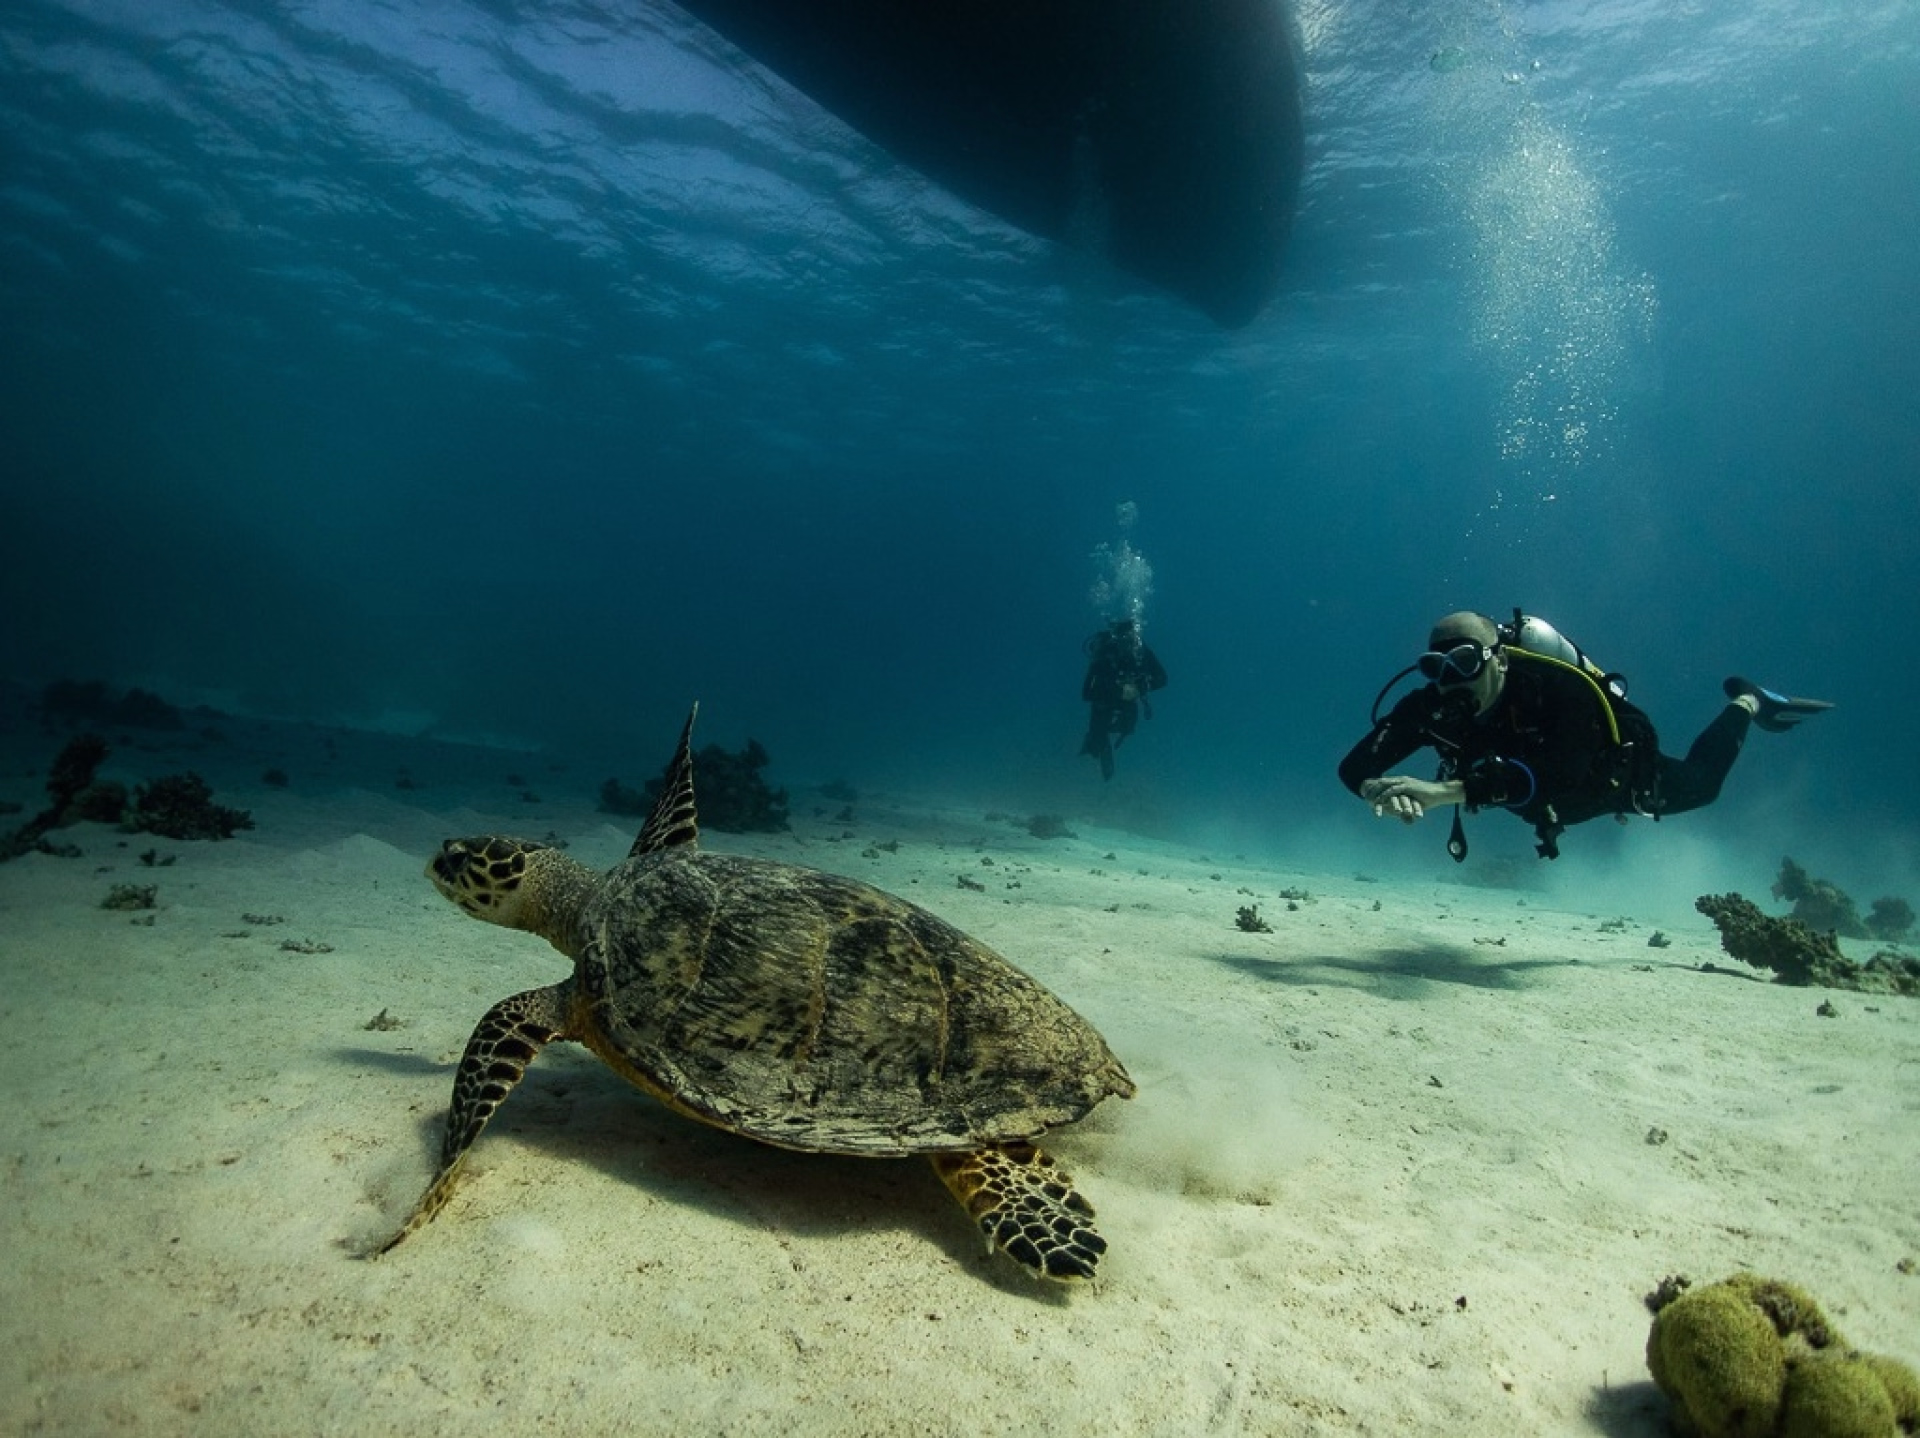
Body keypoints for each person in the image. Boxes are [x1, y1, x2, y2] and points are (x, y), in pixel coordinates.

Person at [1338, 609, 1832, 859]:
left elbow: (1560, 774)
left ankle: (1748, 702)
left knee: (1702, 785)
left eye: (1464, 662)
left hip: (1613, 780)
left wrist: (1443, 792)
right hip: (1534, 802)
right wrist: (1376, 790)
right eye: (1435, 667)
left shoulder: (1556, 689)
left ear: (1500, 658)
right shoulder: (1432, 709)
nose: (1450, 680)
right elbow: (1354, 767)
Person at [1080, 618, 1167, 780]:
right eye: (1123, 639)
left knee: (1127, 726)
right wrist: (1110, 689)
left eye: (1131, 638)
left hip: (1127, 702)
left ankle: (1105, 743)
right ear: (1115, 639)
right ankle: (1097, 746)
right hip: (1104, 700)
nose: (1127, 644)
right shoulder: (1104, 654)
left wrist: (1138, 688)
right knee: (1096, 738)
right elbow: (1085, 694)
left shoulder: (1141, 652)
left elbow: (1162, 679)